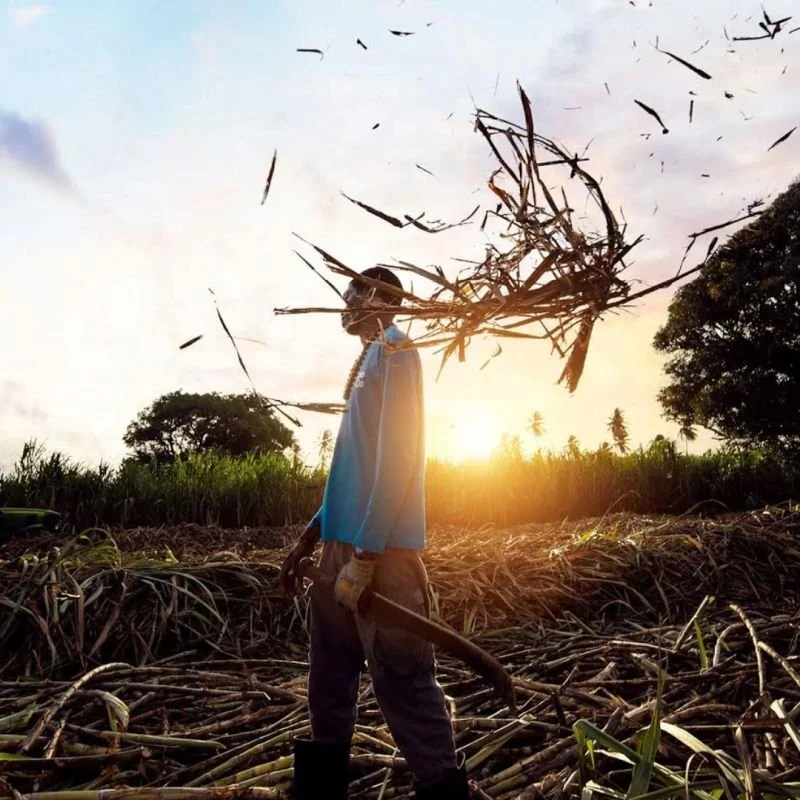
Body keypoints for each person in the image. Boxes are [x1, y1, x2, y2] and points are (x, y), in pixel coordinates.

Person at [279, 267, 468, 799]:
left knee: (403, 684)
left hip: (381, 554)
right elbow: (351, 469)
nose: (343, 302)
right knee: (328, 682)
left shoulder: (398, 352)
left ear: (378, 297)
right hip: (339, 549)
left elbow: (399, 459)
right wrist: (309, 539)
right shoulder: (366, 360)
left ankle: (444, 791)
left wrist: (365, 555)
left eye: (351, 292)